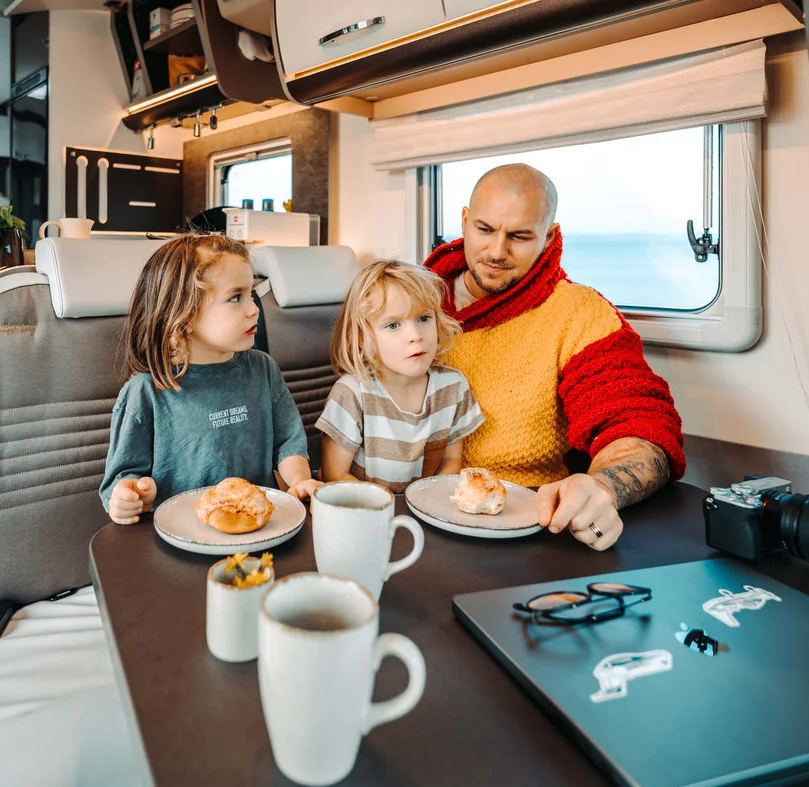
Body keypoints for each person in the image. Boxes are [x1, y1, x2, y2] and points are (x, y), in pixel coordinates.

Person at [423, 163, 685, 551]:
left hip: (526, 523)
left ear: (549, 236)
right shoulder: (414, 300)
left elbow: (637, 419)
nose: (497, 251)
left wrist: (602, 487)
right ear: (464, 220)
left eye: (520, 236)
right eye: (484, 229)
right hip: (411, 505)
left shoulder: (579, 313)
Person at [101, 235, 322, 524]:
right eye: (235, 297)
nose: (254, 308)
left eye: (251, 294)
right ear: (183, 315)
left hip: (255, 526)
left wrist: (298, 482)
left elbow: (288, 443)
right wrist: (129, 495)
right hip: (180, 534)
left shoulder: (263, 370)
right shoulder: (147, 390)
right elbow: (121, 477)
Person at [316, 260, 484, 493]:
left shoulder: (453, 386)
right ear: (363, 337)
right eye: (394, 325)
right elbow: (334, 474)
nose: (415, 335)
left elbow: (451, 461)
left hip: (424, 510)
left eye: (424, 318)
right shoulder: (352, 393)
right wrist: (383, 503)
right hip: (365, 511)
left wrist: (427, 502)